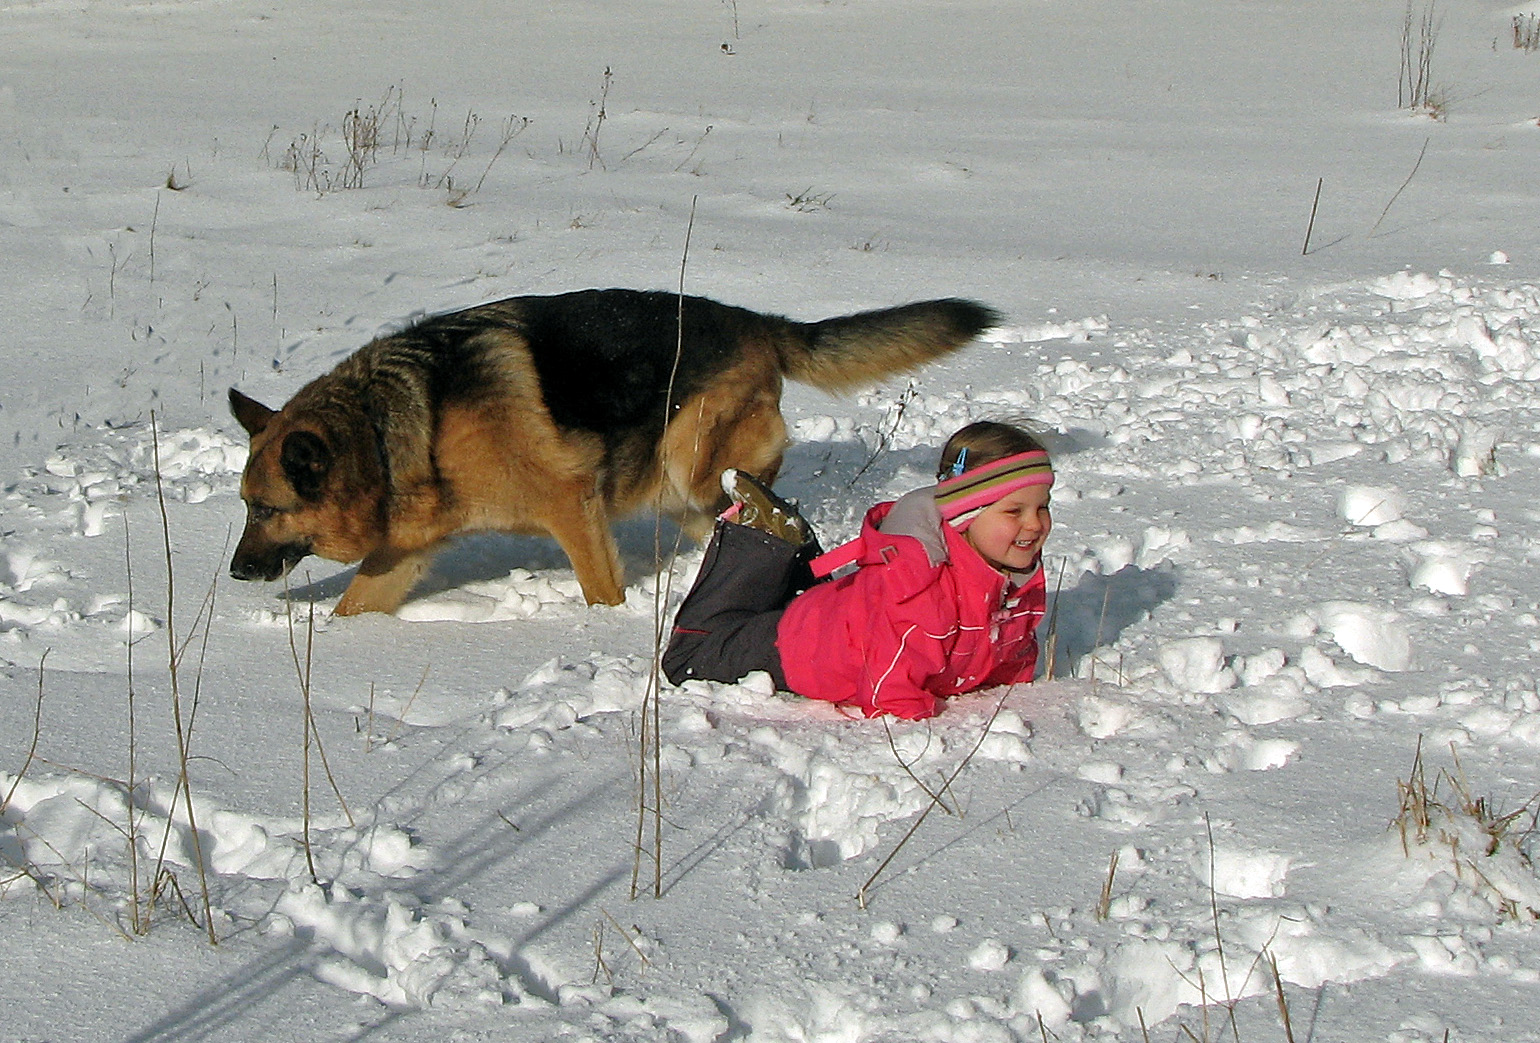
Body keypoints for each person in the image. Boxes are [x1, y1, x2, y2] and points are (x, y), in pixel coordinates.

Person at [663, 420, 1053, 719]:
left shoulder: (1013, 575)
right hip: (798, 649)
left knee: (807, 605)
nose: (1034, 524)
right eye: (1014, 511)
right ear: (965, 517)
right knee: (690, 657)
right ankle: (759, 541)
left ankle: (790, 551)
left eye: (1042, 506)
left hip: (839, 619)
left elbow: (1009, 649)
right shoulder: (923, 592)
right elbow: (887, 690)